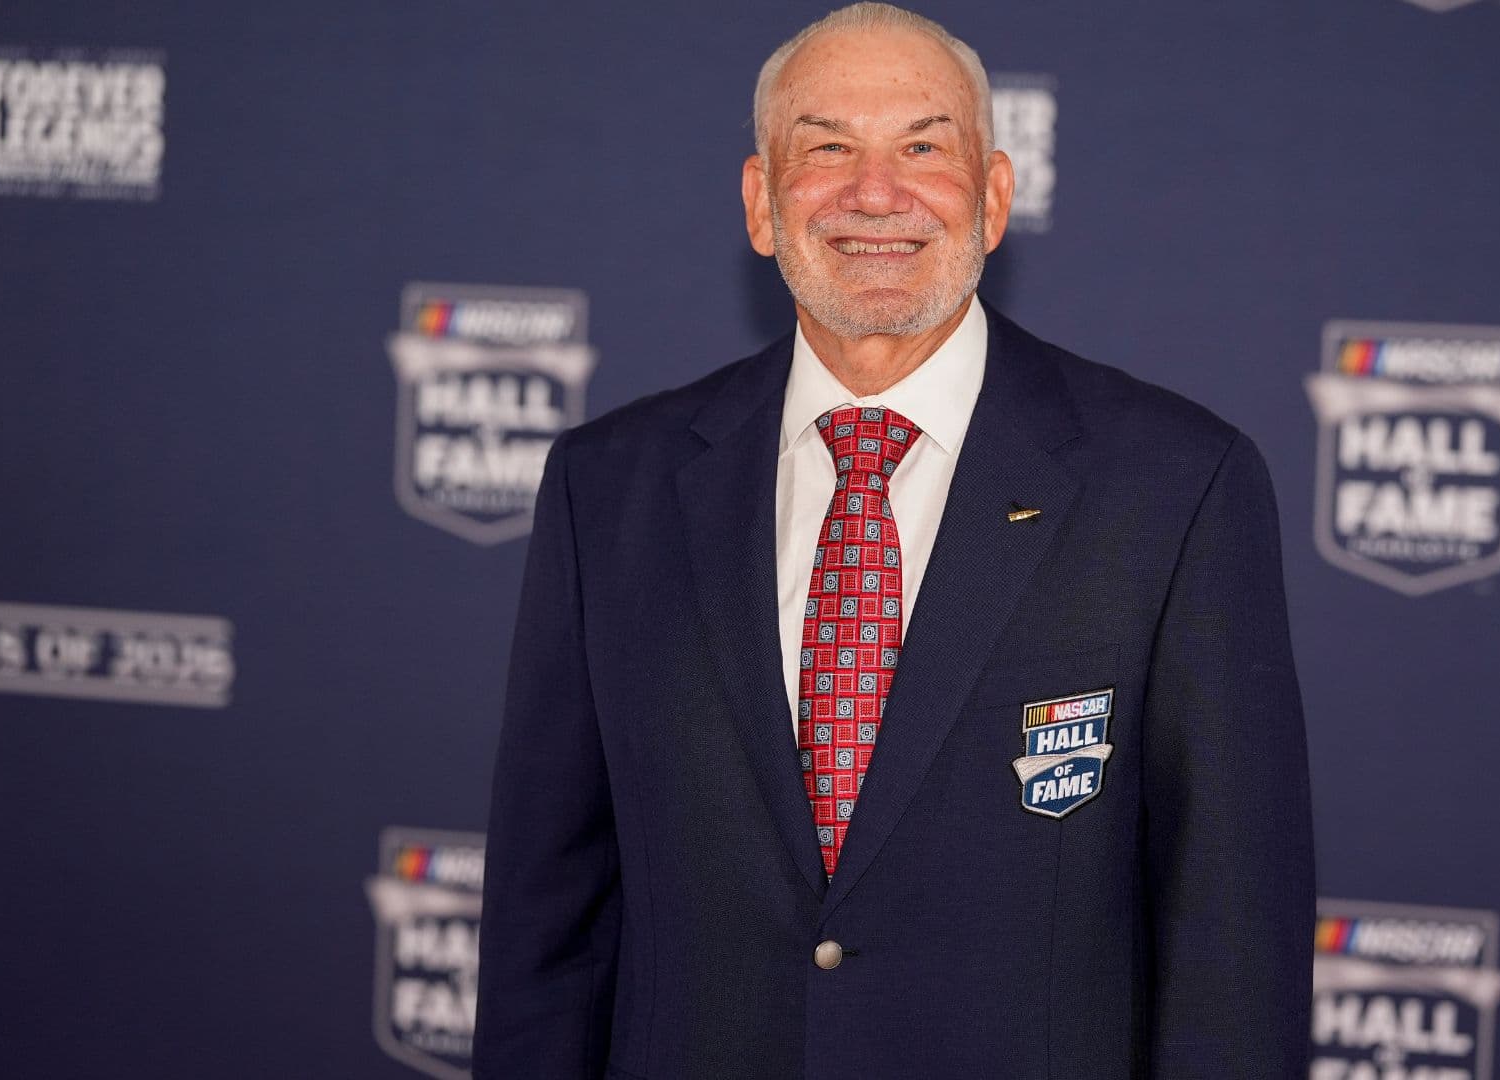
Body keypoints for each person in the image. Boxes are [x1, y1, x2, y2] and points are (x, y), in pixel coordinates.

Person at [473, 4, 1314, 1078]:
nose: (876, 193)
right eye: (827, 149)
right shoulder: (608, 489)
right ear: (761, 204)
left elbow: (1233, 945)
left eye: (924, 146)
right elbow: (549, 919)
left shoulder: (1177, 485)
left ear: (997, 197)